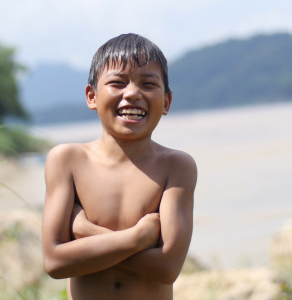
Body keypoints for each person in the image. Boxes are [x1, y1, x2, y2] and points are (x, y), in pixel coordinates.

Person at [42, 33, 197, 300]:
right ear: (91, 96)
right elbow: (55, 262)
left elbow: (168, 267)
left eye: (148, 84)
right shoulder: (67, 161)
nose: (133, 93)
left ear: (166, 102)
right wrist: (137, 238)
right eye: (117, 83)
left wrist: (85, 231)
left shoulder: (176, 167)